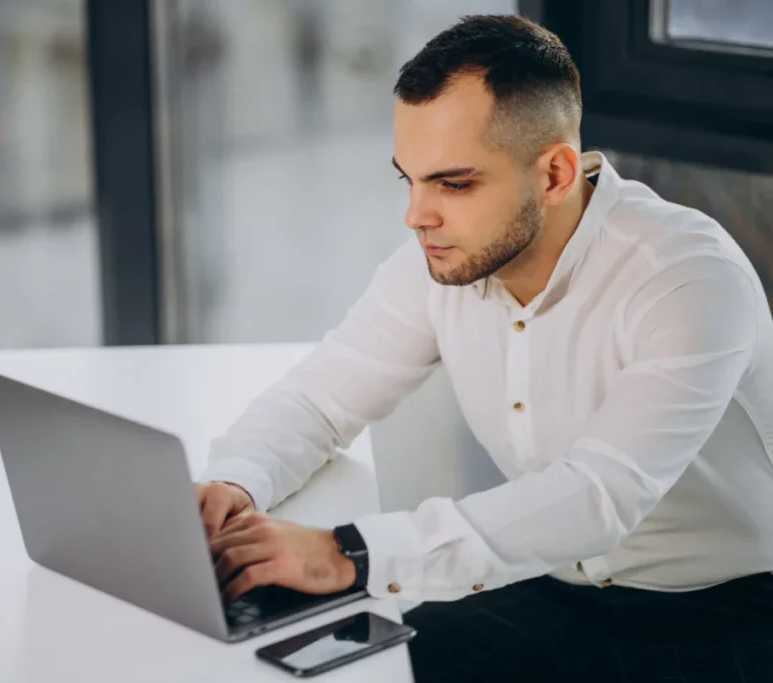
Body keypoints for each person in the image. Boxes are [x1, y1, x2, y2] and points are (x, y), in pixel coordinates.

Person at [195, 14, 773, 683]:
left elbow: (600, 495)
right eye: (407, 179)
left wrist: (346, 552)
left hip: (729, 614)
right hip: (553, 588)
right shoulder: (444, 261)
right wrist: (236, 480)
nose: (417, 215)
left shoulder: (686, 277)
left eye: (454, 183)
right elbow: (317, 399)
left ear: (556, 173)